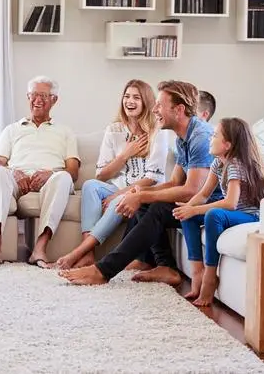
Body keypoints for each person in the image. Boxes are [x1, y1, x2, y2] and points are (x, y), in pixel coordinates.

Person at [59, 80, 223, 286]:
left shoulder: (200, 136)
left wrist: (142, 195)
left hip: (210, 206)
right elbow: (174, 182)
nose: (154, 109)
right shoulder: (184, 137)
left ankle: (103, 270)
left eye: (160, 105)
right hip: (195, 202)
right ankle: (164, 266)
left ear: (179, 110)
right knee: (147, 203)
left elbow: (190, 191)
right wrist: (139, 192)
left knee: (156, 208)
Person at [55, 80, 169, 270]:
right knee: (90, 185)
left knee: (119, 200)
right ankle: (89, 254)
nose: (129, 101)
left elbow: (153, 177)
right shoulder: (114, 130)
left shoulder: (158, 131)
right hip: (118, 186)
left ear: (147, 101)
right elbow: (101, 175)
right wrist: (125, 154)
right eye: (126, 96)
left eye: (136, 97)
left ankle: (78, 252)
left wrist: (118, 194)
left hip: (144, 189)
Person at [173, 117, 264, 306]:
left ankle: (210, 276)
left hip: (249, 215)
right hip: (235, 213)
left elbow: (230, 204)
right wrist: (188, 209)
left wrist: (195, 210)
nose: (210, 139)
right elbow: (203, 194)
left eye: (214, 136)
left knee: (213, 214)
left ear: (227, 144)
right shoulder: (218, 163)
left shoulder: (235, 165)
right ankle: (198, 272)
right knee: (187, 214)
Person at [0, 76, 80, 269]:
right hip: (16, 178)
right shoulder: (11, 130)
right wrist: (13, 171)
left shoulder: (65, 132)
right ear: (28, 97)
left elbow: (73, 171)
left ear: (54, 100)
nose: (37, 100)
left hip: (50, 180)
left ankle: (39, 249)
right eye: (33, 95)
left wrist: (50, 174)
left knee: (63, 178)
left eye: (44, 95)